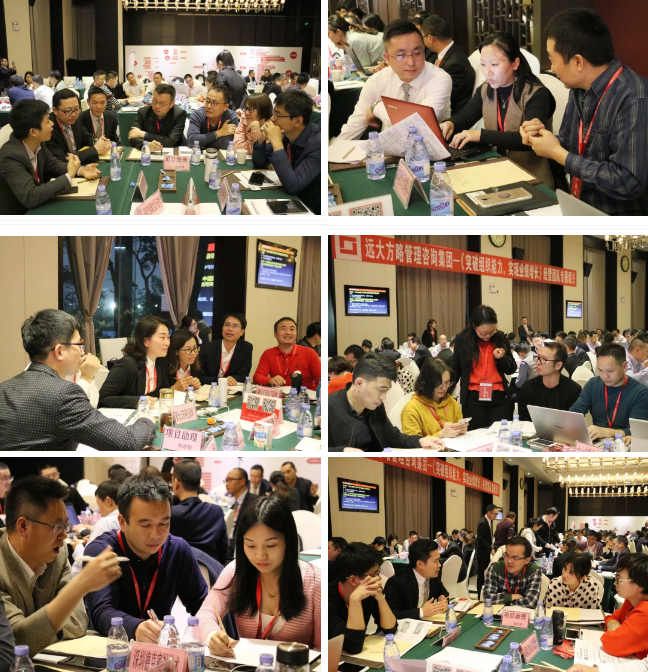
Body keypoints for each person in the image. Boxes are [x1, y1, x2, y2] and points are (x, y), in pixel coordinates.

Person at [520, 9, 648, 215]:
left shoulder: (634, 97)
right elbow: (570, 142)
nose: (552, 68)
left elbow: (628, 181)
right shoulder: (578, 88)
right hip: (577, 207)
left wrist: (558, 154)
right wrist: (543, 140)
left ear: (578, 62)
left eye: (553, 60)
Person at [0, 309, 155, 449]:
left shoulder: (4, 388)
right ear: (60, 351)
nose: (82, 351)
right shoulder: (63, 393)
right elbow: (129, 441)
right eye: (78, 344)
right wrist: (146, 420)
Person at [0, 476, 122, 652]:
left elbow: (78, 622)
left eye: (66, 526)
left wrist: (38, 630)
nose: (64, 536)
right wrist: (80, 585)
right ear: (23, 526)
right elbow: (15, 640)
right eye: (57, 527)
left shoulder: (58, 554)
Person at [84, 474, 208, 642]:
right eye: (145, 525)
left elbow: (202, 604)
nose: (155, 535)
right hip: (110, 647)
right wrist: (135, 627)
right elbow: (101, 611)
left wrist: (212, 631)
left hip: (157, 649)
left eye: (163, 523)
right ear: (122, 522)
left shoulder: (177, 550)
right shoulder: (102, 551)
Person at [198, 496, 320, 653]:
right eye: (251, 545)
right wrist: (211, 634)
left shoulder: (315, 581)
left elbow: (323, 651)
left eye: (270, 545)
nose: (260, 556)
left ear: (288, 541)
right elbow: (205, 613)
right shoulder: (236, 572)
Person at [440, 32, 557, 188]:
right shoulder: (486, 89)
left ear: (515, 63)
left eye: (494, 64)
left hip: (531, 177)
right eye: (483, 64)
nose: (487, 71)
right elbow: (466, 117)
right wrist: (451, 123)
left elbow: (528, 140)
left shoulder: (536, 94)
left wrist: (481, 135)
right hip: (496, 171)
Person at [336, 19, 452, 142]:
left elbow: (416, 126)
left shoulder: (439, 79)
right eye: (401, 55)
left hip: (426, 150)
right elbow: (353, 128)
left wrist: (378, 107)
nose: (411, 62)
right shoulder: (377, 81)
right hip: (387, 149)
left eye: (417, 53)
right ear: (387, 58)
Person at [328, 351, 446, 451]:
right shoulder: (330, 407)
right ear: (359, 383)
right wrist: (342, 451)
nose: (383, 397)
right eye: (381, 390)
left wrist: (420, 441)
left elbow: (392, 437)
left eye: (387, 391)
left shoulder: (375, 407)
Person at [0, 100, 102, 215]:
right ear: (33, 132)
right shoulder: (10, 157)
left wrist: (80, 170)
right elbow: (30, 196)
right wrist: (69, 176)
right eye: (48, 121)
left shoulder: (37, 143)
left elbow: (53, 165)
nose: (52, 123)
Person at [252, 90, 321, 215]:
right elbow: (259, 162)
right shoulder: (287, 134)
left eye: (278, 115)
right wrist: (262, 138)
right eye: (273, 113)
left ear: (298, 121)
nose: (273, 119)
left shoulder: (317, 144)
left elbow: (293, 186)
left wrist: (276, 143)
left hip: (310, 208)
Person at [451, 305, 517, 430]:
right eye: (483, 333)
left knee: (499, 433)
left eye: (492, 331)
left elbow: (511, 369)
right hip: (472, 397)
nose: (488, 335)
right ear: (474, 326)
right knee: (475, 434)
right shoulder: (463, 339)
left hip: (498, 396)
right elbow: (456, 368)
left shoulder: (500, 338)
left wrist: (502, 358)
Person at [99, 316, 182, 408]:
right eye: (162, 337)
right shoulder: (127, 365)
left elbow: (160, 391)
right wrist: (137, 401)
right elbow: (102, 399)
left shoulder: (160, 362)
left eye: (168, 337)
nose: (167, 343)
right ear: (146, 341)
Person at [329, 542, 397, 654]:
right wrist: (355, 599)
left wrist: (380, 597)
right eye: (374, 574)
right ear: (353, 580)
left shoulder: (369, 591)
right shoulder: (326, 600)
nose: (379, 578)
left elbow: (390, 629)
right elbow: (353, 646)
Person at [569, 343, 648, 439]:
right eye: (600, 370)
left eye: (610, 371)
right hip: (598, 441)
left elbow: (638, 431)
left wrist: (609, 432)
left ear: (624, 366)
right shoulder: (593, 384)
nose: (605, 376)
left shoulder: (641, 392)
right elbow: (576, 410)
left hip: (623, 443)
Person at [170, 459, 227, 564]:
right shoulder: (216, 511)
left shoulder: (171, 514)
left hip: (179, 569)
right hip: (213, 569)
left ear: (176, 482)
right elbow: (223, 551)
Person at [420, 15, 474, 114]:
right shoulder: (451, 51)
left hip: (451, 116)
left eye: (423, 36)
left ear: (431, 38)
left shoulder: (455, 64)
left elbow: (442, 95)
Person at [384, 538, 449, 619]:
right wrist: (421, 612)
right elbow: (390, 615)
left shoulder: (432, 576)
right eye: (436, 561)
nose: (439, 565)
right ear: (420, 564)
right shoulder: (397, 583)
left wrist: (442, 598)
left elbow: (444, 592)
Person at [401, 358, 465, 439]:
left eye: (447, 382)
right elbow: (414, 444)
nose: (444, 387)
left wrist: (460, 430)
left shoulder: (450, 401)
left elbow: (458, 427)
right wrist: (441, 435)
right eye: (439, 383)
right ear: (426, 382)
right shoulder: (412, 409)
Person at [518, 341, 583, 421]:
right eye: (538, 358)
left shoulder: (573, 390)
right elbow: (524, 420)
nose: (538, 362)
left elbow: (574, 422)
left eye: (544, 359)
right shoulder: (528, 387)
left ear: (558, 365)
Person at [252, 317, 321, 391]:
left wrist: (315, 394)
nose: (288, 332)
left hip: (304, 396)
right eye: (283, 329)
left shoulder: (309, 353)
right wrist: (269, 380)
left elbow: (321, 379)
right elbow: (257, 376)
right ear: (275, 334)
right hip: (279, 395)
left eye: (292, 329)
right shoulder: (268, 353)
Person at [46, 89, 110, 165]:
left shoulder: (75, 119)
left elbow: (85, 136)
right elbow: (63, 158)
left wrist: (97, 141)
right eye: (68, 111)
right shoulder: (48, 128)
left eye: (76, 109)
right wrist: (95, 150)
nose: (73, 114)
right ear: (55, 110)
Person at [483, 536, 542, 609]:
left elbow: (530, 602)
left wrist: (503, 601)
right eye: (507, 555)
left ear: (527, 560)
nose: (509, 561)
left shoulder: (533, 571)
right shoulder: (495, 568)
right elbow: (487, 598)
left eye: (515, 558)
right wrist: (513, 597)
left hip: (522, 615)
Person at [198, 312, 252, 386]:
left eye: (235, 326)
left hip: (233, 389)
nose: (230, 329)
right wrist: (222, 381)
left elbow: (243, 375)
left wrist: (230, 381)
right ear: (222, 327)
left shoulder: (246, 348)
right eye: (227, 325)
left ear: (242, 332)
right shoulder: (207, 348)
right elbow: (200, 376)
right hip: (210, 389)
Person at [128, 83, 186, 149]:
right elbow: (133, 136)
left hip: (173, 151)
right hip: (150, 151)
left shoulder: (179, 114)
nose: (157, 106)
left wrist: (143, 134)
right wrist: (148, 145)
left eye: (162, 103)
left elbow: (170, 141)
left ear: (172, 104)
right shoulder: (143, 112)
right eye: (155, 101)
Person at [186, 84, 239, 150]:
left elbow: (226, 144)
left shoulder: (231, 117)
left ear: (225, 107)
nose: (208, 106)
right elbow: (191, 140)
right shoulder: (197, 115)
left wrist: (202, 142)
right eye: (207, 101)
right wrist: (219, 133)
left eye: (214, 103)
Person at [224, 468, 258, 560]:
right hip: (230, 549)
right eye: (226, 480)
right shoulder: (234, 505)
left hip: (242, 552)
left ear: (242, 481)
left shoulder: (254, 502)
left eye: (230, 480)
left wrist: (231, 542)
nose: (227, 484)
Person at [476, 504, 500, 596]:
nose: (496, 516)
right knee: (481, 576)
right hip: (482, 554)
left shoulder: (489, 521)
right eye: (495, 514)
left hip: (485, 553)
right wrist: (490, 549)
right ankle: (480, 595)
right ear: (489, 512)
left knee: (485, 574)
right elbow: (480, 539)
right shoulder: (483, 522)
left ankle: (485, 593)